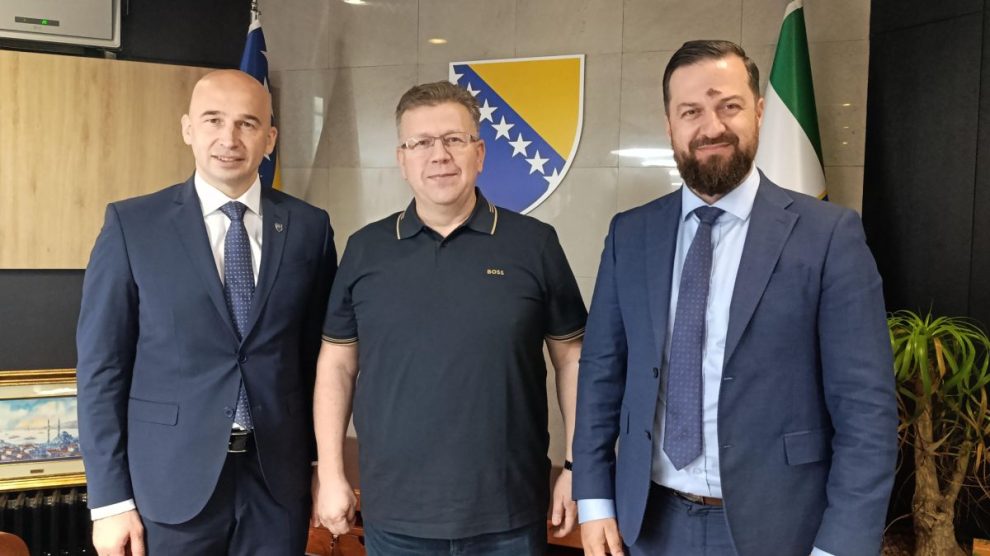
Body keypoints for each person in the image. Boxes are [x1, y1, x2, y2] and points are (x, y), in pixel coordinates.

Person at [572, 40, 897, 556]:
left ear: (759, 112)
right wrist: (593, 497)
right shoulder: (630, 235)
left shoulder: (828, 236)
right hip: (647, 523)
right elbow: (600, 374)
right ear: (669, 125)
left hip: (782, 529)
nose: (712, 127)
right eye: (691, 112)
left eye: (729, 106)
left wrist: (841, 546)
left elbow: (866, 411)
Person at [313, 81, 586, 555]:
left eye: (454, 139)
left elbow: (573, 359)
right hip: (396, 514)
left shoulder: (535, 244)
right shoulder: (365, 250)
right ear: (402, 159)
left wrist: (577, 467)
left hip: (508, 515)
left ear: (479, 153)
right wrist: (332, 473)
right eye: (420, 142)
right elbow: (336, 364)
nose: (438, 155)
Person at [76, 69, 337, 556]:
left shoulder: (310, 228)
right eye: (213, 120)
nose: (229, 139)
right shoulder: (133, 225)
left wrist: (323, 466)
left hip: (277, 486)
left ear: (269, 138)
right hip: (169, 485)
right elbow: (101, 369)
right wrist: (110, 501)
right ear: (188, 129)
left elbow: (317, 363)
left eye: (247, 123)